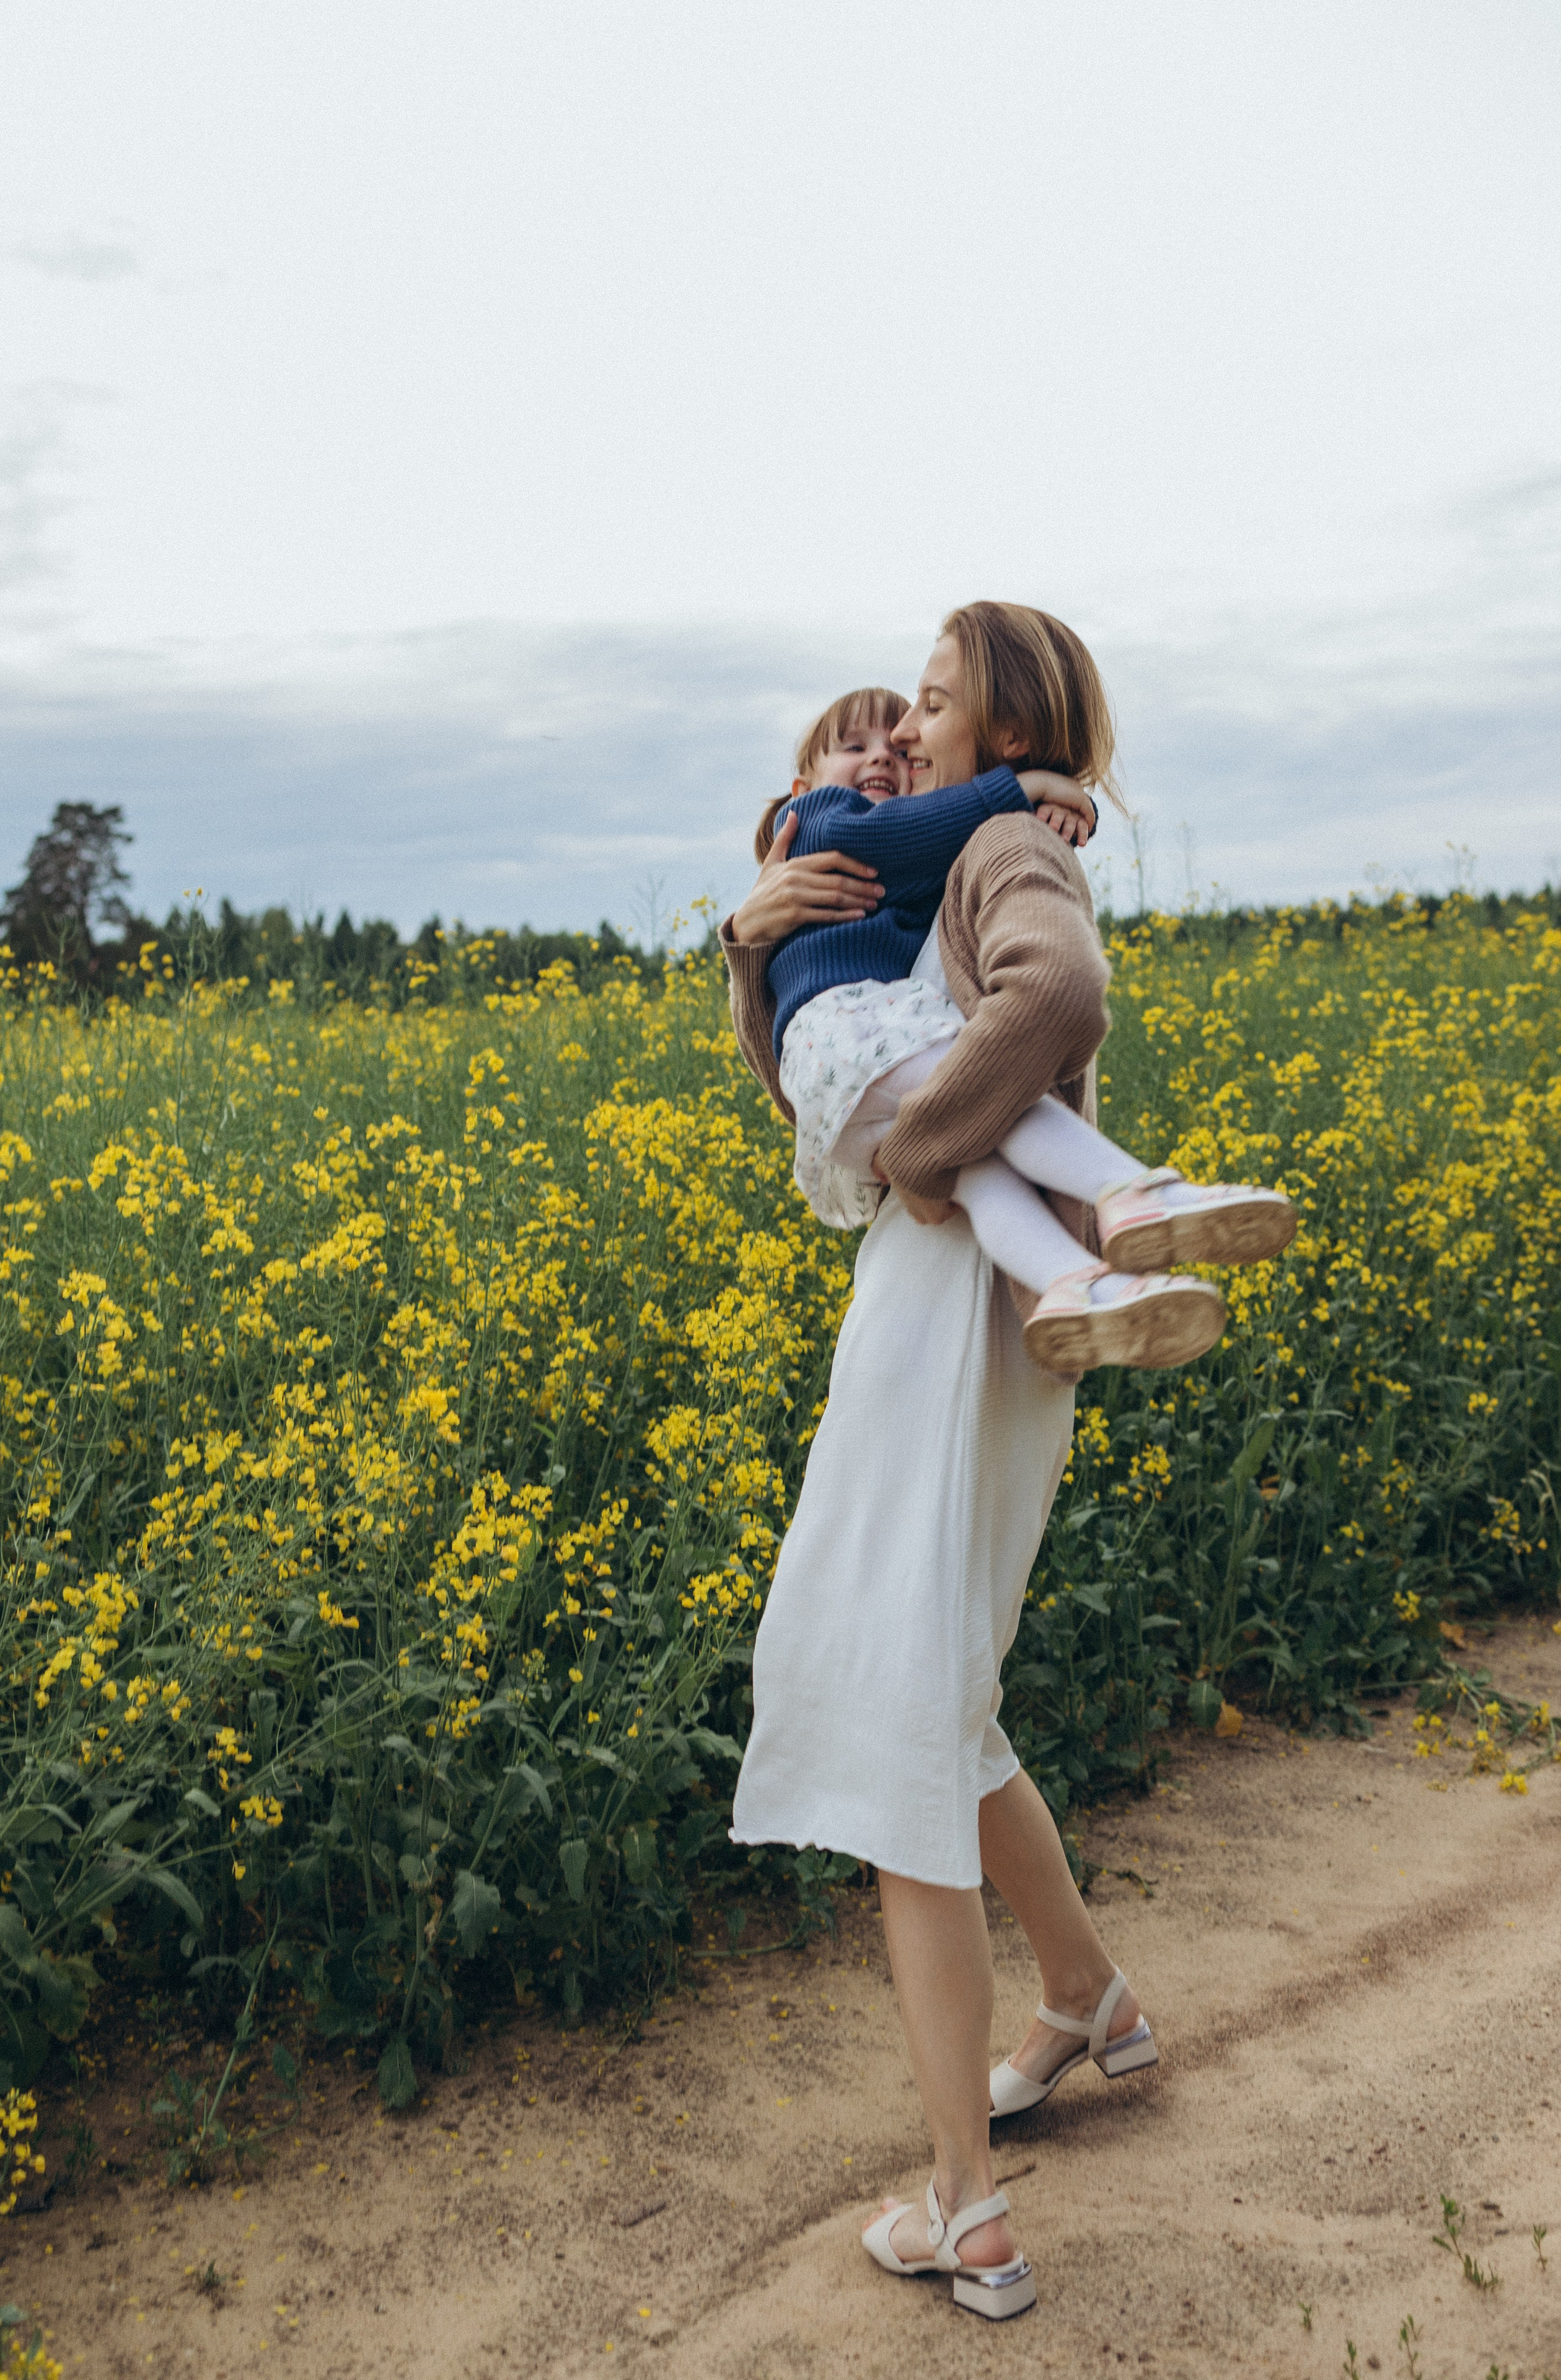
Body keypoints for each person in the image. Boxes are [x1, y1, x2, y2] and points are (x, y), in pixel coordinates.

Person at [718, 604, 1228, 2322]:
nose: (907, 725)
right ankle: (1087, 1998)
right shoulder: (923, 858)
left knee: (892, 1726)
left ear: (1002, 725)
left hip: (964, 1309)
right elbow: (819, 1063)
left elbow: (1052, 1003)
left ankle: (964, 2203)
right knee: (929, 1697)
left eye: (934, 701)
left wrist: (929, 1148)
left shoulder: (1008, 828)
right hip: (959, 1302)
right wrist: (748, 931)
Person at [735, 663, 1295, 1370]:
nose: (883, 753)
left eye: (900, 749)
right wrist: (1021, 790)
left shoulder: (938, 861)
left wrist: (1039, 811)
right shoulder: (819, 824)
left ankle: (1070, 1284)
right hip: (852, 1039)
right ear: (801, 787)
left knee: (979, 1167)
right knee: (999, 1100)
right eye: (853, 746)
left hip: (852, 1101)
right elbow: (908, 833)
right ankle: (1131, 1193)